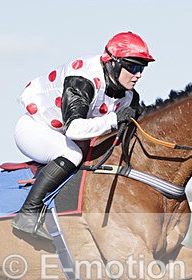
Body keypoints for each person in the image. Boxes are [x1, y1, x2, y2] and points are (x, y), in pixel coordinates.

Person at [12, 31, 155, 240]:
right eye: (133, 67)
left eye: (142, 68)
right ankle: (27, 213)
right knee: (72, 155)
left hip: (67, 135)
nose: (139, 74)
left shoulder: (129, 94)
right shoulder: (84, 78)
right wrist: (114, 120)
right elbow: (74, 129)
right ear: (113, 63)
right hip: (35, 128)